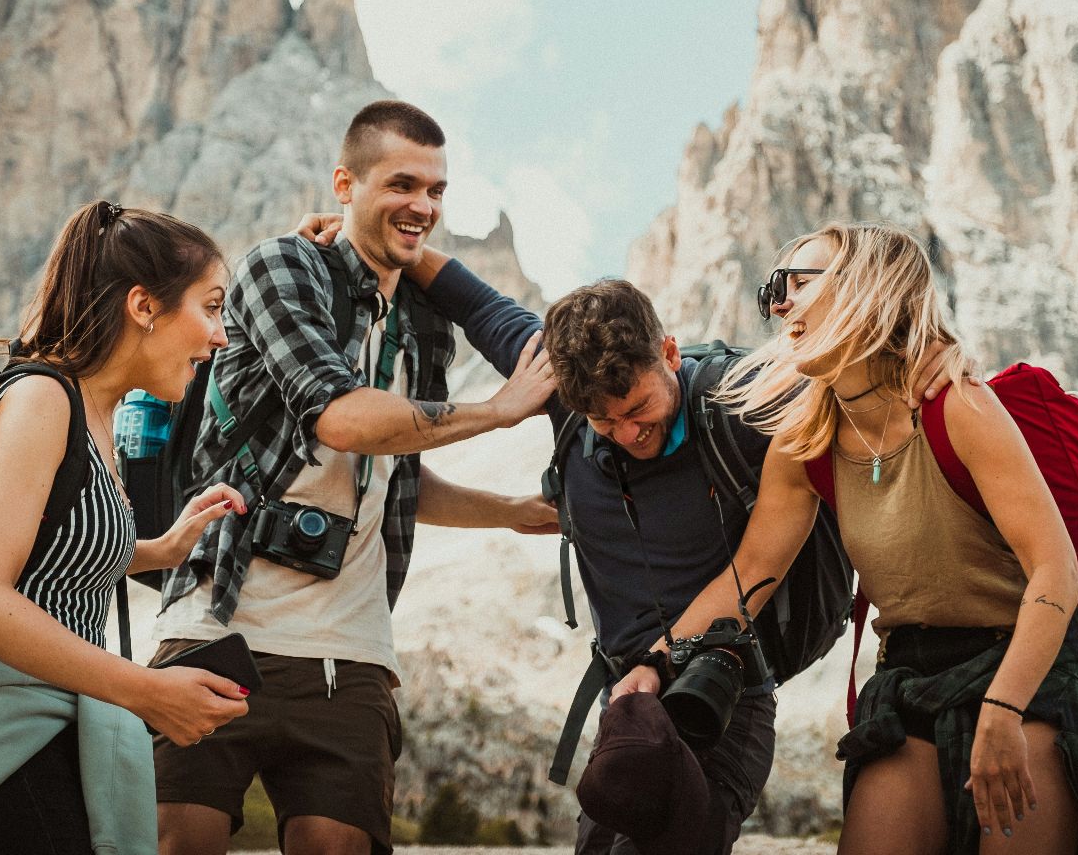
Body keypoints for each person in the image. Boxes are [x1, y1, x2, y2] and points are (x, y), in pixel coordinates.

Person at [286, 217, 950, 855]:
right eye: (603, 423)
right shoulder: (562, 392)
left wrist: (934, 357)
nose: (628, 434)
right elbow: (474, 301)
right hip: (628, 704)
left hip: (722, 696)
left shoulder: (743, 400)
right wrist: (372, 233)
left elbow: (857, 367)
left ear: (669, 354)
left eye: (639, 409)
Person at [153, 100, 559, 855]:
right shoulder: (282, 267)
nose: (424, 206)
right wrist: (497, 412)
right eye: (402, 184)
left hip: (352, 653)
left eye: (436, 190)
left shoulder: (425, 322)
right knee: (177, 845)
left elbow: (393, 470)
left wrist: (510, 511)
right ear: (345, 184)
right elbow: (339, 419)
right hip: (219, 624)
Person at [728, 222, 1078, 855]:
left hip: (1024, 666)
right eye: (773, 290)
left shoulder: (959, 406)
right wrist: (653, 662)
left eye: (798, 283)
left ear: (868, 287)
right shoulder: (802, 441)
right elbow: (751, 571)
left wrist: (1005, 709)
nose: (779, 304)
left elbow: (1057, 571)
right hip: (910, 675)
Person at [0, 200, 254, 854]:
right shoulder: (41, 399)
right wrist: (148, 691)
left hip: (50, 730)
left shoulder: (93, 414)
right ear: (143, 306)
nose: (220, 336)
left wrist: (159, 549)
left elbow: (47, 553)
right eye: (210, 307)